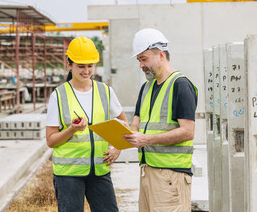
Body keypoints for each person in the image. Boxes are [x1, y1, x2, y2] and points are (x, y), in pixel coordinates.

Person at [46, 36, 127, 212]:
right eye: (81, 66)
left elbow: (124, 124)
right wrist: (71, 130)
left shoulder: (105, 91)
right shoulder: (58, 96)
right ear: (69, 64)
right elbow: (51, 140)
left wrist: (117, 149)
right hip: (68, 175)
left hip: (99, 172)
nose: (86, 70)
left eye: (90, 65)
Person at [122, 28, 198, 211]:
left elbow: (188, 131)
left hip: (171, 177)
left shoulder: (180, 85)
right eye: (139, 60)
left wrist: (147, 139)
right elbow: (136, 125)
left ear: (161, 55)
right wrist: (122, 130)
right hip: (148, 172)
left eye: (144, 59)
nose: (141, 65)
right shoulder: (146, 88)